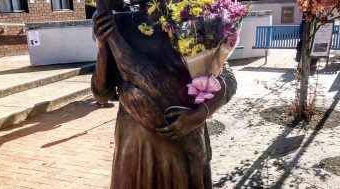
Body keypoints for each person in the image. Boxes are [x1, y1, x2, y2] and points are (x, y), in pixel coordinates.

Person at [92, 0, 237, 188]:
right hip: (135, 147)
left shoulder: (192, 21)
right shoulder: (118, 25)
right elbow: (101, 94)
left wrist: (201, 113)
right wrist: (103, 48)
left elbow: (226, 77)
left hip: (182, 144)